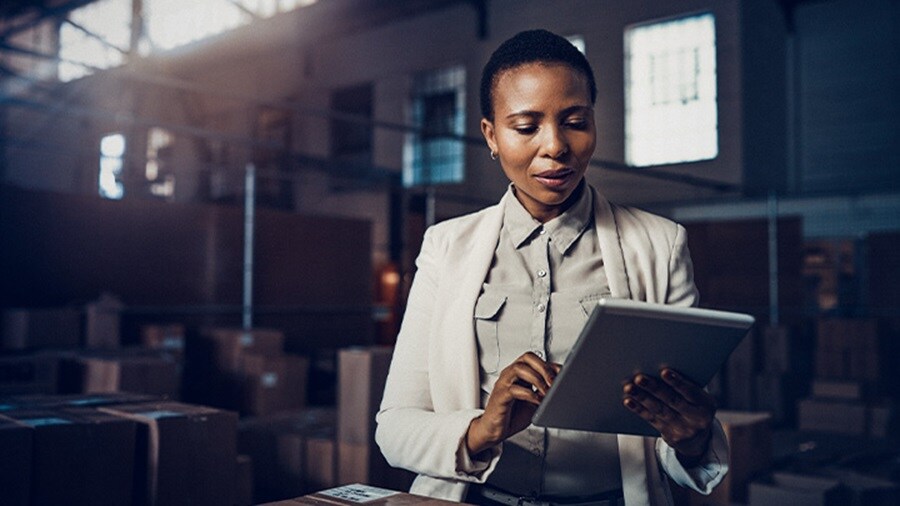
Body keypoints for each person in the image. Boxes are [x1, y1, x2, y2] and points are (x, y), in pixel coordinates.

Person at [375, 29, 728, 506]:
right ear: (491, 135)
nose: (556, 146)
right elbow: (395, 427)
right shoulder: (446, 248)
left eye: (575, 122)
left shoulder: (660, 246)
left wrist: (691, 439)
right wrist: (483, 429)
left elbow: (675, 434)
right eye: (526, 127)